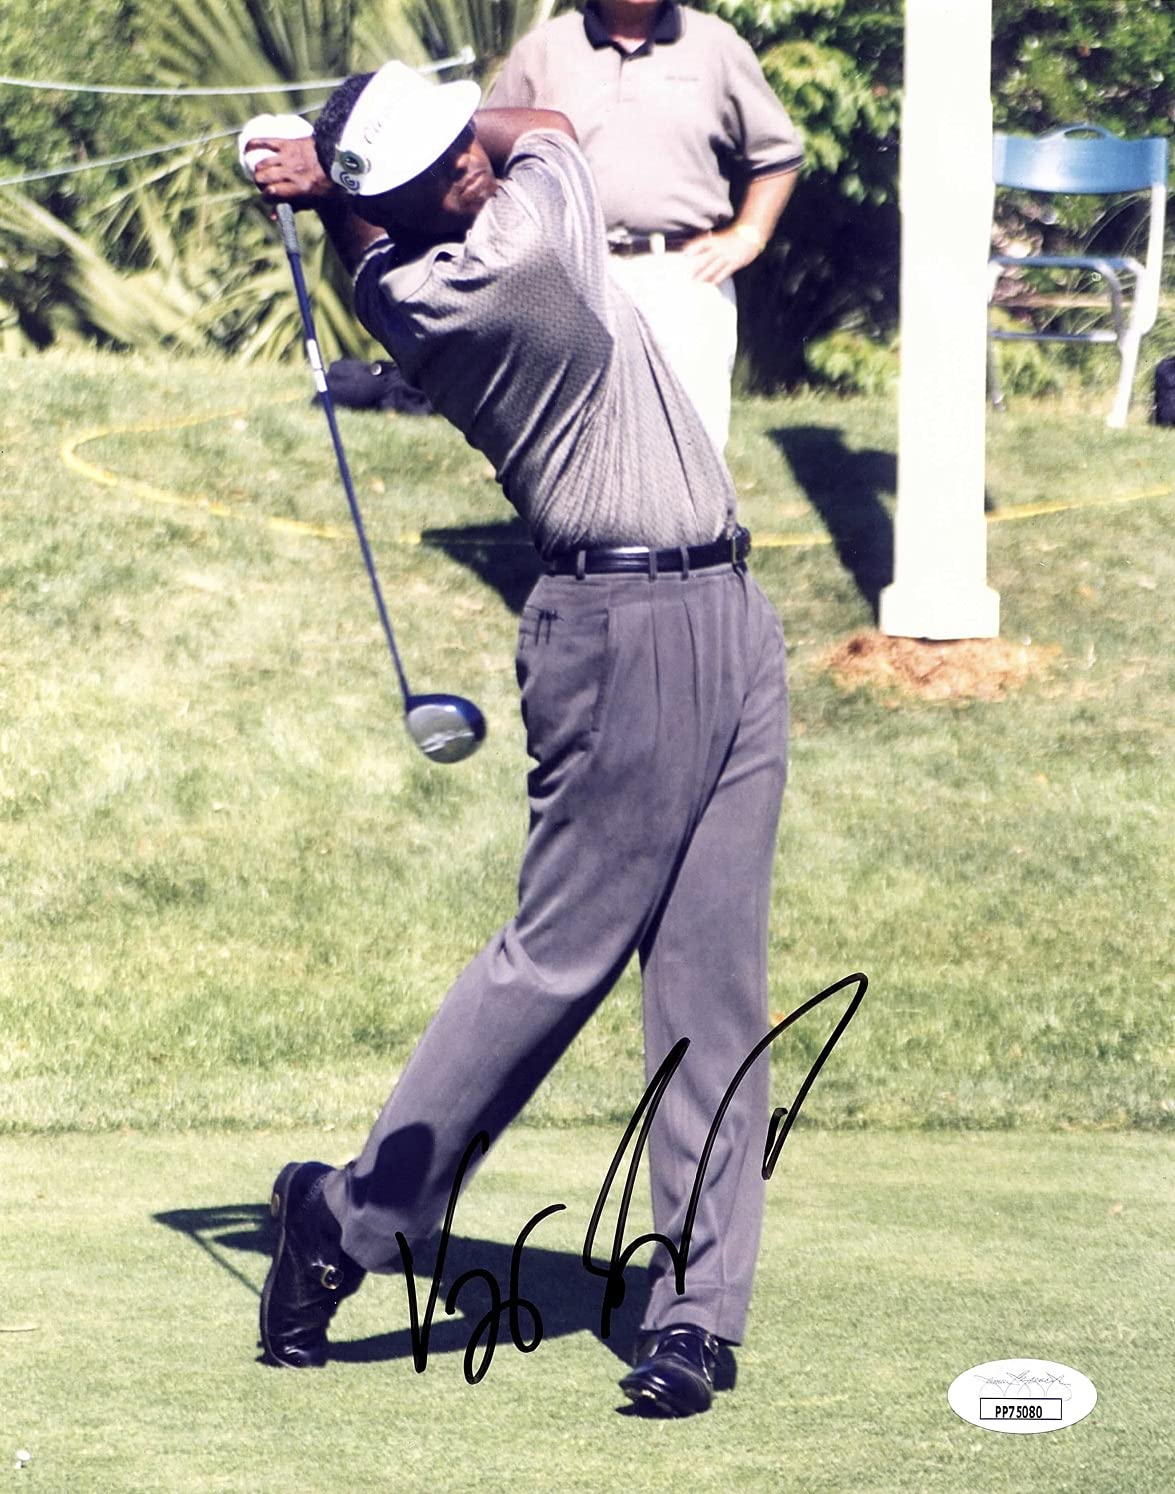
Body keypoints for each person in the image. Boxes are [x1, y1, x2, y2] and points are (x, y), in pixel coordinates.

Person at [245, 58, 789, 1418]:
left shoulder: (395, 264)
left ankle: (695, 1314)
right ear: (413, 211)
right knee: (555, 962)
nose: (471, 167)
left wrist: (335, 180)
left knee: (713, 986)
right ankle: (347, 1216)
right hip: (619, 627)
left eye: (462, 151)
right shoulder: (503, 262)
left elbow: (420, 192)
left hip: (726, 606)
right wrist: (355, 170)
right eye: (443, 173)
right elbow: (541, 128)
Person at [486, 0, 803, 451]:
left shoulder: (716, 46)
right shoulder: (544, 49)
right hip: (571, 277)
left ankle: (698, 525)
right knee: (577, 444)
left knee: (692, 444)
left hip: (682, 272)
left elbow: (777, 153)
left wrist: (749, 234)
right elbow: (491, 158)